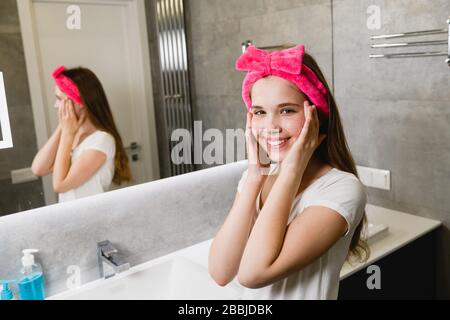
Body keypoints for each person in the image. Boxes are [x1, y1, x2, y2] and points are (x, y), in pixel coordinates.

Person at [208, 44, 369, 299]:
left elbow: (253, 273)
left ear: (316, 116)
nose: (271, 126)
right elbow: (220, 271)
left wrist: (291, 170)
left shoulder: (342, 189)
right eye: (259, 112)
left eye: (287, 110)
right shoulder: (254, 179)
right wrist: (253, 180)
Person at [32, 66, 131, 202]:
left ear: (80, 102)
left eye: (60, 99)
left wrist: (67, 134)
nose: (56, 105)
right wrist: (62, 126)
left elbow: (60, 185)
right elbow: (38, 168)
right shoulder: (73, 135)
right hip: (72, 218)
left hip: (91, 219)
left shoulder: (101, 140)